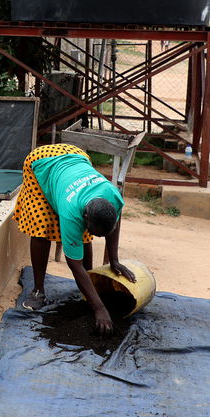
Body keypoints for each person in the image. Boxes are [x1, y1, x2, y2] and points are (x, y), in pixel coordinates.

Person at [13, 143, 135, 334]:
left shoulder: (113, 195)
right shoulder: (72, 213)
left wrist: (114, 260)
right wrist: (99, 308)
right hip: (42, 161)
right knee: (41, 226)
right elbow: (74, 264)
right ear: (85, 216)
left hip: (77, 156)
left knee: (85, 233)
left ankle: (90, 287)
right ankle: (38, 290)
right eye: (95, 232)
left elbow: (114, 225)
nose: (96, 237)